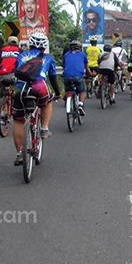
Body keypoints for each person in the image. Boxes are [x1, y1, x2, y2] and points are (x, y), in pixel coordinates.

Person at [12, 32, 61, 166]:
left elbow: (15, 72)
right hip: (39, 86)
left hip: (20, 88)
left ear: (30, 43)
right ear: (45, 46)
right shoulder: (48, 58)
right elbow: (53, 78)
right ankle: (44, 128)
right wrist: (57, 92)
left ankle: (19, 154)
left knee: (18, 120)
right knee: (47, 101)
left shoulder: (21, 55)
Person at [62, 39, 88, 116]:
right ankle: (80, 105)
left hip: (66, 76)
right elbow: (86, 66)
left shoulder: (66, 55)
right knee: (82, 91)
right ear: (79, 47)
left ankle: (67, 97)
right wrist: (89, 73)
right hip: (78, 77)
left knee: (68, 89)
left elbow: (64, 65)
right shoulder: (82, 54)